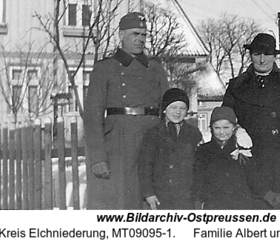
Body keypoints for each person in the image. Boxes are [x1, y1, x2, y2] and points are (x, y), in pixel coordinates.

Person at [83, 12, 169, 210]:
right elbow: (93, 116)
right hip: (119, 143)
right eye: (135, 34)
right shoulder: (105, 68)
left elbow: (168, 108)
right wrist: (97, 157)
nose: (140, 39)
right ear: (121, 35)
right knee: (121, 200)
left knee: (151, 197)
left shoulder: (155, 68)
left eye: (144, 35)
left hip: (151, 136)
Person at [222, 33, 280, 209]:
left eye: (267, 54)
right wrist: (237, 131)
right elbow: (223, 119)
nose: (262, 59)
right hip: (252, 163)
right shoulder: (237, 85)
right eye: (257, 54)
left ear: (274, 56)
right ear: (251, 55)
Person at [138, 88, 202, 210]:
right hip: (161, 196)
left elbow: (199, 166)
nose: (177, 112)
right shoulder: (153, 134)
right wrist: (148, 193)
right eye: (173, 107)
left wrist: (197, 197)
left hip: (186, 196)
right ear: (164, 109)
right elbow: (145, 165)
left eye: (182, 108)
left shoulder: (193, 133)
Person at [193, 106, 262, 210]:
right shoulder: (203, 151)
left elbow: (253, 180)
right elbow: (198, 181)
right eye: (217, 128)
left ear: (234, 128)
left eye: (226, 128)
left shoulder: (243, 149)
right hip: (214, 207)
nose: (221, 132)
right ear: (211, 128)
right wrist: (198, 204)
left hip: (240, 207)